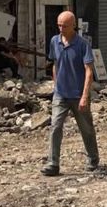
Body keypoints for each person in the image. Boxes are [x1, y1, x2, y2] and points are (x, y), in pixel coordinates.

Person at [41, 11, 99, 176]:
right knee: (55, 127)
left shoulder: (82, 44)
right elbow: (54, 64)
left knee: (86, 129)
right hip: (60, 94)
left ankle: (93, 159)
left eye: (64, 26)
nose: (61, 28)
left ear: (73, 25)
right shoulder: (54, 41)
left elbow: (89, 71)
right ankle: (53, 164)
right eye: (59, 25)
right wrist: (55, 84)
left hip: (78, 94)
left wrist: (85, 96)